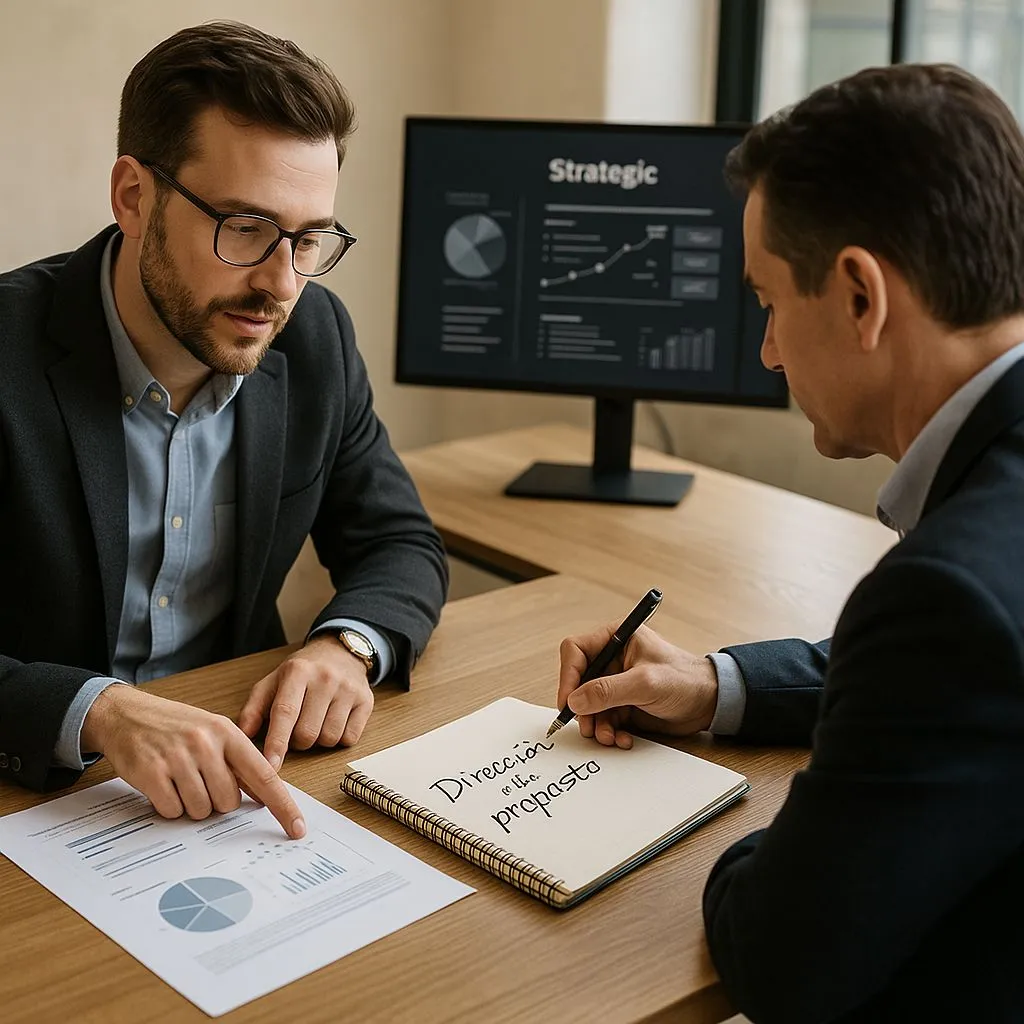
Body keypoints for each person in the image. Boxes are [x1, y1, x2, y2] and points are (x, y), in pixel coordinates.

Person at [558, 63, 1024, 1023]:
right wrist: (716, 685)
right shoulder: (965, 600)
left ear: (860, 296)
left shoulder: (947, 594)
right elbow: (965, 683)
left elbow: (783, 960)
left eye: (767, 298)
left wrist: (752, 833)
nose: (767, 348)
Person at [0, 22, 448, 840]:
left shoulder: (315, 340)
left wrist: (346, 646)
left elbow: (399, 541)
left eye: (309, 239)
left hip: (243, 784)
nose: (281, 284)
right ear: (134, 197)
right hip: (39, 796)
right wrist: (96, 711)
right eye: (244, 227)